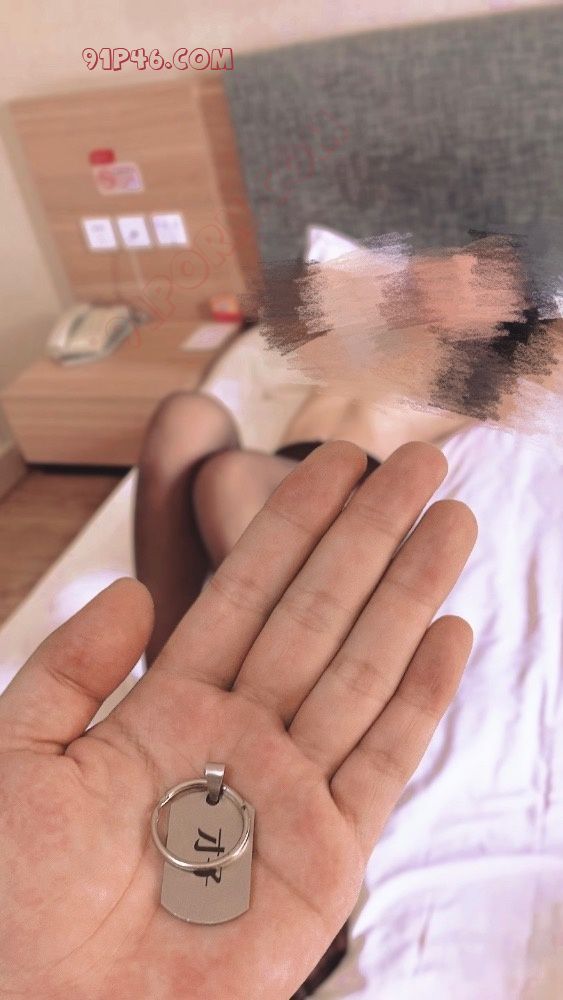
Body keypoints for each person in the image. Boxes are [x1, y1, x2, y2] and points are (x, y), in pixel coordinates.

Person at [0, 441, 475, 1000]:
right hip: (303, 454)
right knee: (195, 437)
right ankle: (186, 678)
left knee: (205, 451)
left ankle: (177, 669)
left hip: (331, 456)